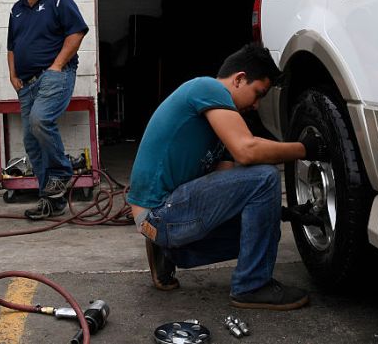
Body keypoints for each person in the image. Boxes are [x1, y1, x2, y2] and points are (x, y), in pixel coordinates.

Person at [127, 43, 328, 310]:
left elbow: (232, 186)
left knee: (265, 228)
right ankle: (252, 286)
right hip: (160, 213)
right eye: (258, 94)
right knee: (266, 176)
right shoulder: (208, 88)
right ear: (239, 79)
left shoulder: (214, 126)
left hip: (158, 220)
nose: (256, 105)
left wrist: (280, 213)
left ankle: (169, 253)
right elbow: (247, 151)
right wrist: (305, 149)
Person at [8, 0, 89, 220]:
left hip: (54, 76)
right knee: (32, 143)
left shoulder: (59, 0)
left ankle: (63, 172)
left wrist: (56, 65)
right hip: (26, 83)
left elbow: (77, 32)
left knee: (41, 120)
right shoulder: (16, 10)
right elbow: (12, 46)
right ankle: (51, 202)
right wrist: (12, 75)